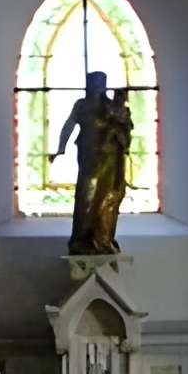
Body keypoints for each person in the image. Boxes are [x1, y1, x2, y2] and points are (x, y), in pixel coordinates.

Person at [50, 70, 135, 255]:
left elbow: (124, 128)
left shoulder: (111, 106)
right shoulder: (82, 105)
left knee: (107, 198)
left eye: (99, 84)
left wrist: (121, 127)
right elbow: (69, 125)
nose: (96, 87)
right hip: (89, 159)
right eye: (92, 84)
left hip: (110, 161)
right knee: (85, 199)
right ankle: (81, 240)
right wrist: (60, 148)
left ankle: (103, 238)